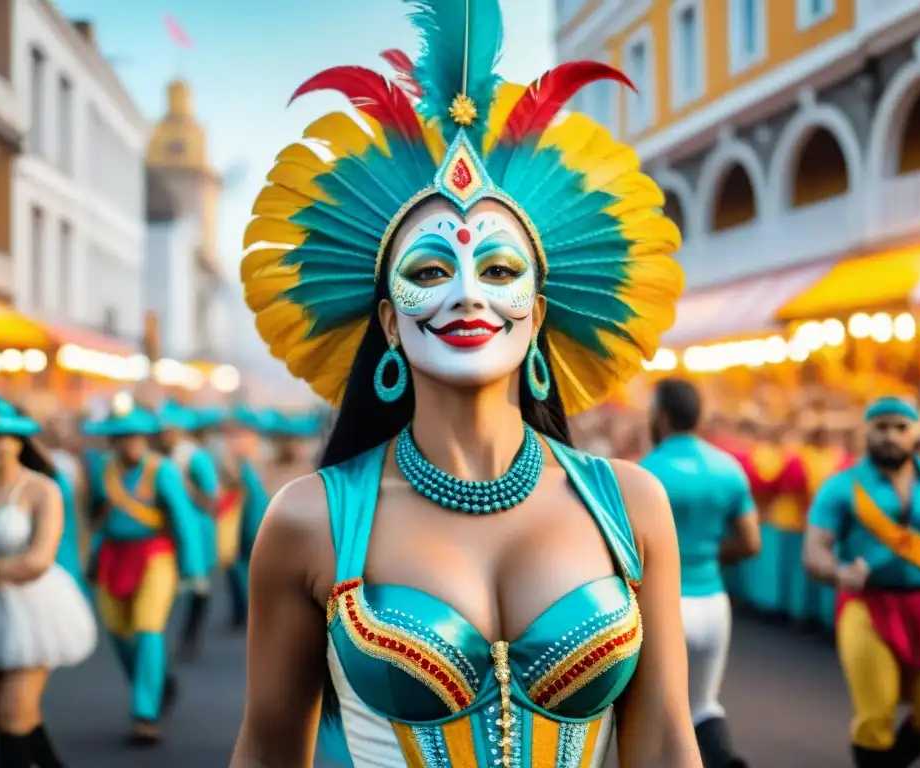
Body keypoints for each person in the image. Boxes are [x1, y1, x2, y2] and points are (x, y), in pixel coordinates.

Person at [229, 1, 698, 765]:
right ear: (387, 321)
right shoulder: (311, 521)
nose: (468, 295)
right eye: (430, 271)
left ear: (538, 312)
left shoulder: (632, 506)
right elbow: (269, 750)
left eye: (500, 270)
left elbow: (670, 744)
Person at [803, 396, 920, 768]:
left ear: (915, 432)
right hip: (866, 606)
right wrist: (838, 571)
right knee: (876, 712)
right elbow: (814, 552)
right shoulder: (841, 487)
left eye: (901, 427)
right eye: (881, 426)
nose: (891, 436)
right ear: (865, 430)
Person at [0, 396, 96, 768]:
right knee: (5, 718)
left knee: (13, 713)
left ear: (18, 441)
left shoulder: (43, 489)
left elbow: (40, 557)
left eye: (0, 437)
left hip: (31, 609)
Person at [642, 379, 760, 768]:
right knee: (703, 705)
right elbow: (749, 542)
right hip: (713, 604)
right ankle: (723, 759)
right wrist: (707, 553)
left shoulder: (643, 473)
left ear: (659, 416)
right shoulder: (728, 468)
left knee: (651, 714)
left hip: (663, 606)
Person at [83, 392, 206, 745]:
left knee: (148, 627)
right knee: (119, 633)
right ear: (111, 439)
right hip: (112, 556)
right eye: (121, 436)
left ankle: (144, 713)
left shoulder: (161, 469)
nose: (129, 443)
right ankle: (157, 681)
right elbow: (94, 515)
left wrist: (192, 568)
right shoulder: (101, 470)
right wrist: (91, 556)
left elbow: (182, 518)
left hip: (155, 555)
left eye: (135, 436)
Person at [155, 401, 221, 661]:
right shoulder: (166, 457)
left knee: (198, 585)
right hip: (173, 530)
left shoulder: (195, 458)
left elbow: (212, 501)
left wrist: (185, 488)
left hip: (198, 529)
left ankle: (190, 636)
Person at [216, 405, 270, 631]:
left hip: (258, 521)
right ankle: (243, 611)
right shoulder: (231, 460)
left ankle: (252, 612)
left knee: (252, 568)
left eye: (239, 433)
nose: (234, 439)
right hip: (237, 521)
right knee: (236, 567)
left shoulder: (261, 458)